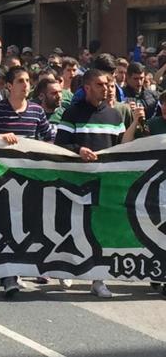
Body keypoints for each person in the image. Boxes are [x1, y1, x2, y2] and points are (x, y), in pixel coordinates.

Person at [0, 66, 55, 298]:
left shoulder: (36, 111)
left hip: (30, 177)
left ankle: (29, 266)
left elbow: (49, 136)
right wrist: (0, 138)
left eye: (28, 81)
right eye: (21, 81)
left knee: (30, 225)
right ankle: (9, 275)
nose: (26, 85)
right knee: (7, 226)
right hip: (2, 179)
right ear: (9, 86)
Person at [54, 69, 125, 299]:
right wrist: (78, 150)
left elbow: (122, 149)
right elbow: (59, 146)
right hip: (75, 181)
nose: (105, 88)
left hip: (104, 184)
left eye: (107, 84)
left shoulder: (115, 116)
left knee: (100, 232)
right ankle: (66, 269)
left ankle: (98, 280)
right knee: (72, 228)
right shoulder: (72, 113)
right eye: (100, 84)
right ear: (87, 88)